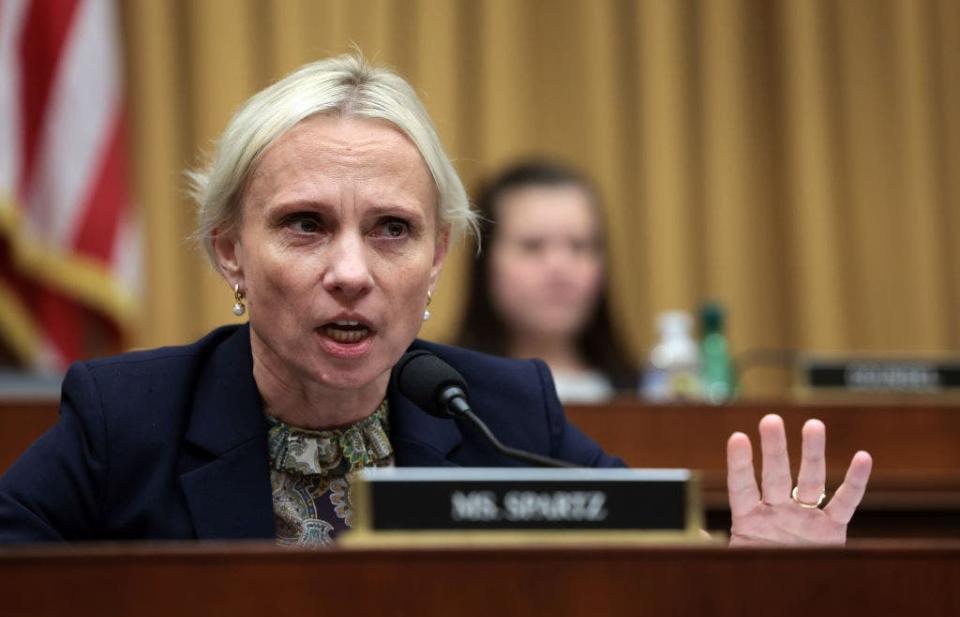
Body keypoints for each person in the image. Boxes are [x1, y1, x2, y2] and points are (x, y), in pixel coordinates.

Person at [0, 54, 872, 546]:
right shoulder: (125, 418)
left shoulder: (505, 413)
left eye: (391, 229)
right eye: (305, 224)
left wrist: (743, 572)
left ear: (439, 258)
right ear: (230, 249)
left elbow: (647, 583)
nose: (351, 271)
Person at [457, 162, 636, 402]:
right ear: (485, 261)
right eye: (533, 246)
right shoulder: (447, 391)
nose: (560, 267)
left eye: (579, 245)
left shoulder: (645, 394)